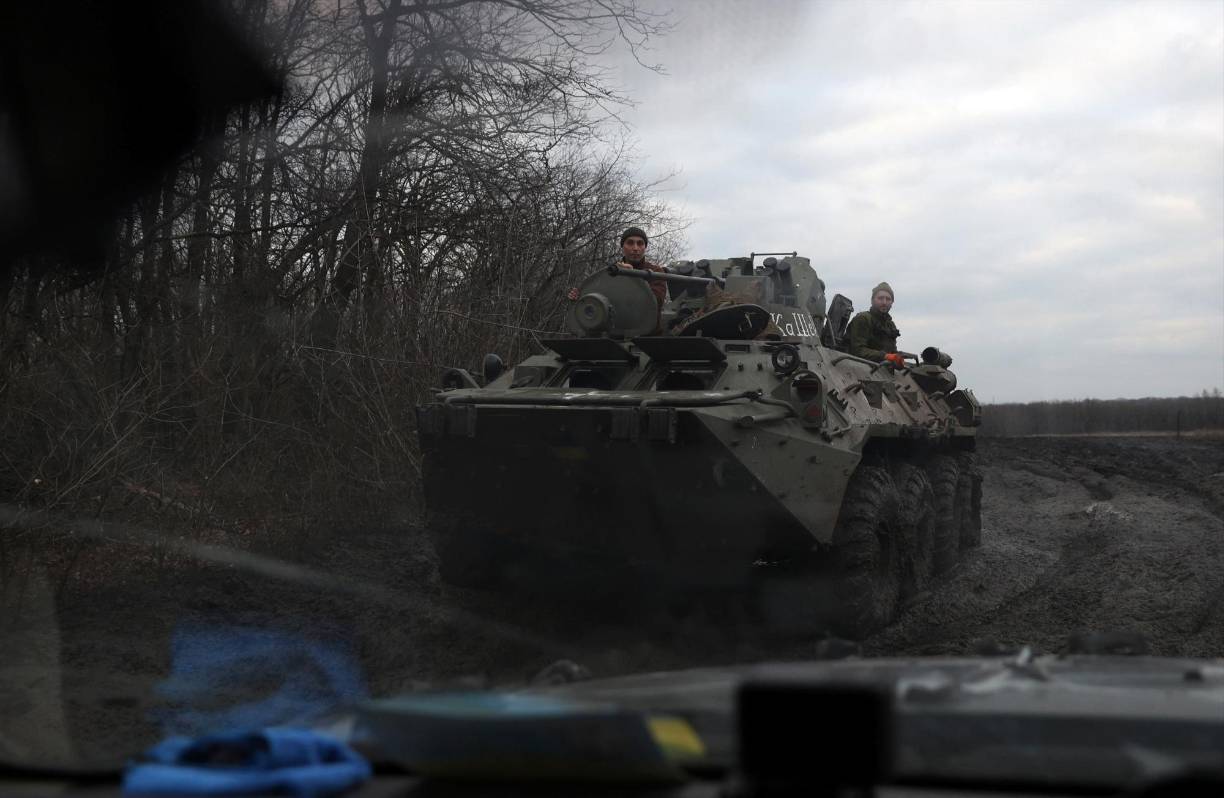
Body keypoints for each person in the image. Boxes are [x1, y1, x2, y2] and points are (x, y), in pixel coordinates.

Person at [567, 226, 668, 331]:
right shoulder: (611, 272)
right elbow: (600, 302)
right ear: (622, 246)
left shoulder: (656, 272)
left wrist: (633, 276)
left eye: (640, 243)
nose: (635, 248)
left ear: (645, 247)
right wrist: (579, 297)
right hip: (613, 334)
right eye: (630, 243)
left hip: (647, 336)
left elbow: (655, 303)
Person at [847, 281, 905, 367]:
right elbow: (858, 350)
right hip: (857, 366)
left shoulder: (890, 325)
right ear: (872, 300)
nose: (884, 302)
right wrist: (885, 356)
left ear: (892, 302)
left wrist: (898, 357)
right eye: (880, 298)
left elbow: (892, 352)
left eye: (888, 299)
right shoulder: (863, 318)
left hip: (880, 368)